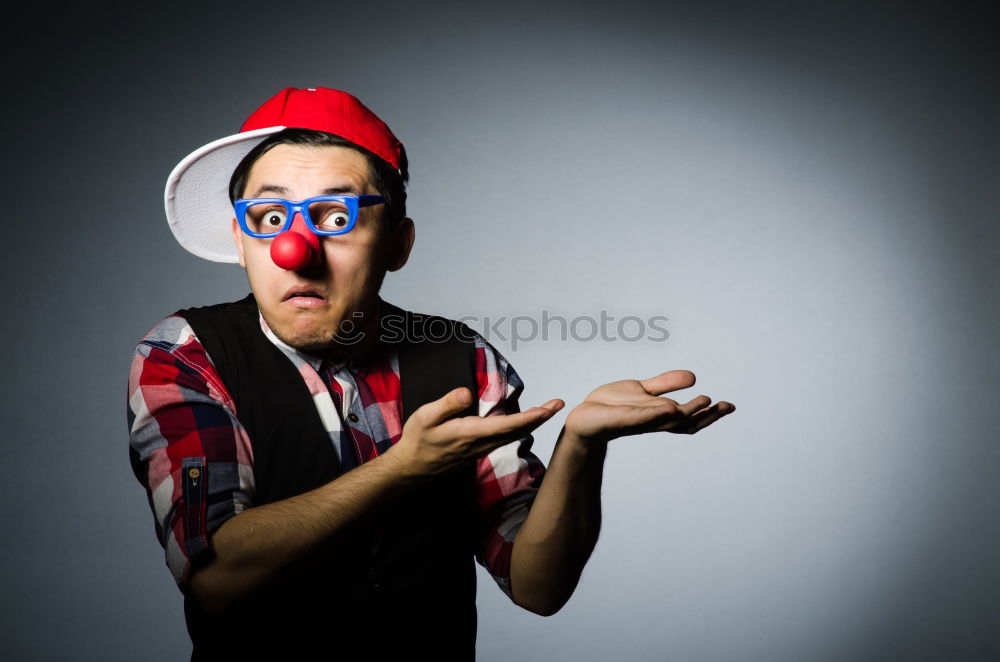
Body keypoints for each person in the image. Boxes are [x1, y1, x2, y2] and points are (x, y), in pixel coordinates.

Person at [127, 87, 735, 661]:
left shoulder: (461, 359)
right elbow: (215, 579)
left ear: (397, 243)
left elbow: (537, 586)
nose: (297, 248)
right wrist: (402, 468)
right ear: (240, 238)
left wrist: (581, 445)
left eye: (336, 217)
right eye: (268, 218)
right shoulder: (186, 354)